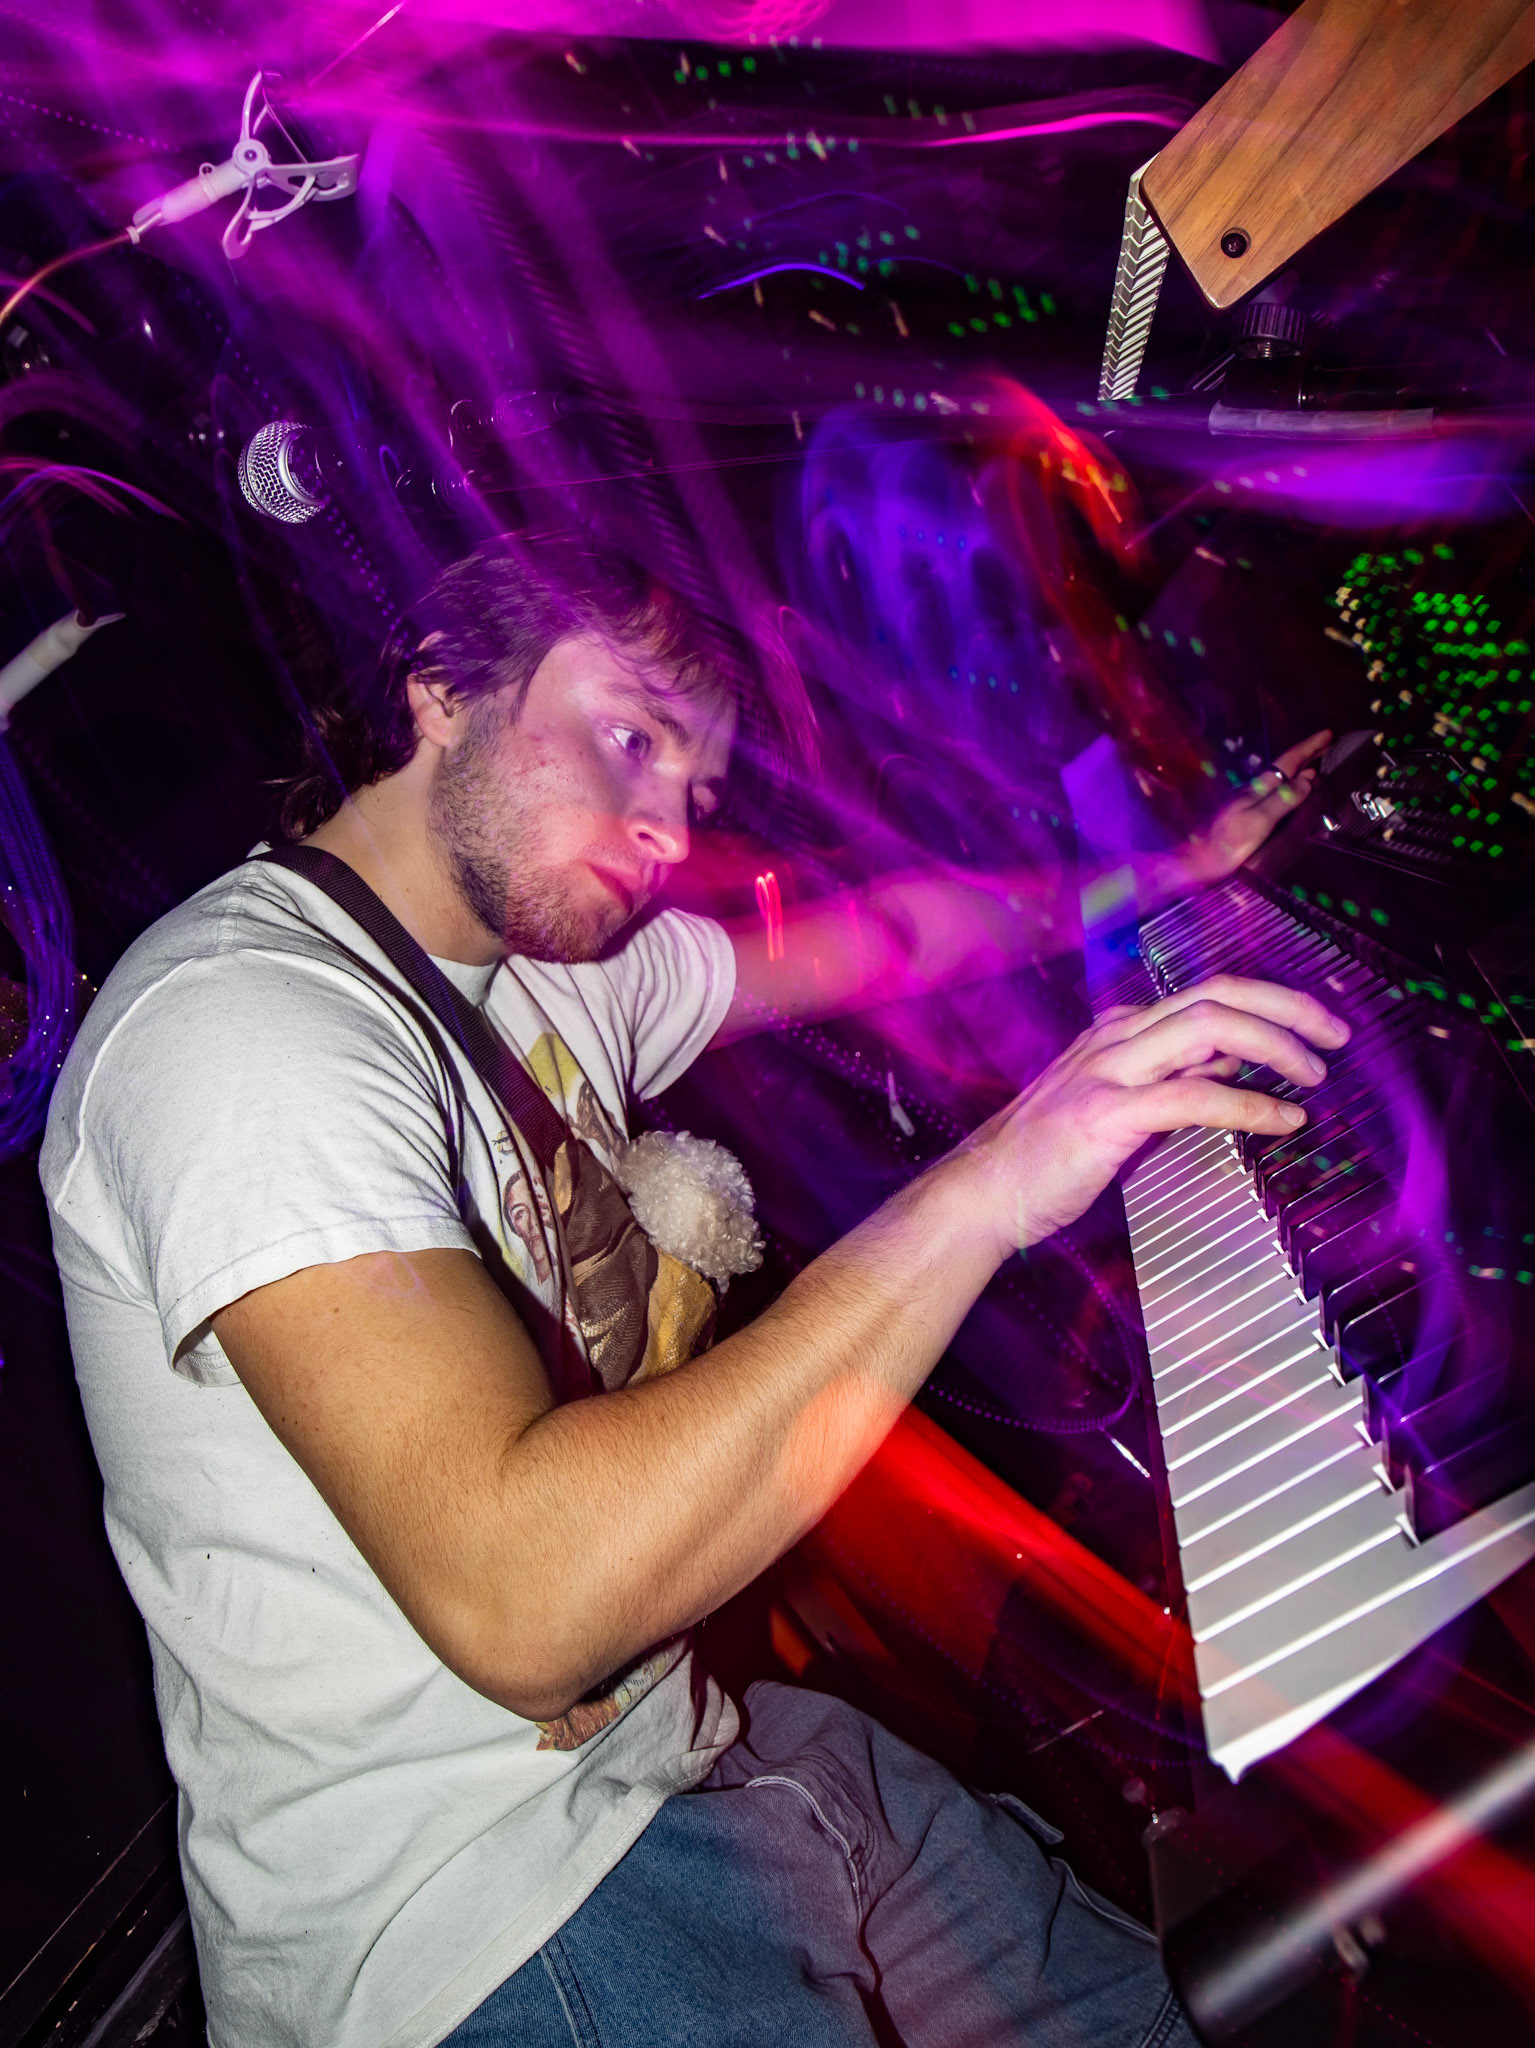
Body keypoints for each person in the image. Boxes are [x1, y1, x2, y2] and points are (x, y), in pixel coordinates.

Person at [41, 535, 1340, 2048]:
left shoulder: (561, 976)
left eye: (698, 792)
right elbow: (522, 1598)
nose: (667, 829)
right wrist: (993, 1182)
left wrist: (1169, 872)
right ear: (443, 690)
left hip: (714, 1757)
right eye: (631, 738)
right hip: (471, 1922)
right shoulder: (243, 1022)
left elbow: (896, 941)